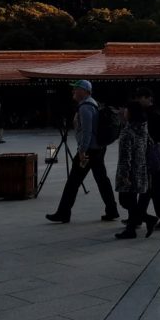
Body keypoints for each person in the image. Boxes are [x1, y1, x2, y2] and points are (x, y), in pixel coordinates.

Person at [46, 80, 120, 224]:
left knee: (73, 182)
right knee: (102, 180)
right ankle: (112, 210)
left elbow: (87, 132)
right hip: (98, 149)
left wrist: (82, 151)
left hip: (88, 151)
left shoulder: (85, 107)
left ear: (85, 91)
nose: (73, 91)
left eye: (76, 89)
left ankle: (63, 213)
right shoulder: (94, 103)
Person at [113, 101, 156, 240]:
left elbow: (126, 155)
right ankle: (131, 230)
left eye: (126, 110)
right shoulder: (143, 128)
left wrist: (125, 175)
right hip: (141, 169)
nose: (124, 112)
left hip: (130, 171)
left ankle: (148, 219)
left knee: (125, 201)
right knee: (131, 200)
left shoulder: (128, 132)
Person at [135, 87, 160, 229]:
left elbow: (147, 138)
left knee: (157, 189)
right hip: (159, 157)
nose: (138, 101)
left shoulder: (150, 115)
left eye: (140, 98)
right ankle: (137, 217)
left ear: (148, 98)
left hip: (154, 159)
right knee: (148, 189)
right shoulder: (157, 112)